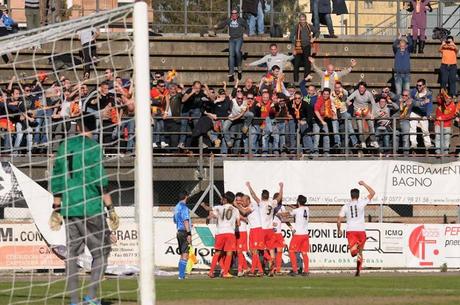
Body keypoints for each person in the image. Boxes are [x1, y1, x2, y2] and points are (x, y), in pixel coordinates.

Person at [49, 112, 119, 304]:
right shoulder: (94, 148)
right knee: (102, 252)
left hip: (70, 208)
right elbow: (100, 181)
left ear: (78, 127)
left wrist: (56, 208)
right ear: (94, 128)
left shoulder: (64, 146)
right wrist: (110, 208)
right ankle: (91, 296)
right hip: (91, 207)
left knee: (72, 255)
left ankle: (73, 299)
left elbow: (57, 177)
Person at [337, 181, 375, 277]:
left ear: (351, 196)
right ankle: (358, 269)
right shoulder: (362, 202)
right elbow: (373, 193)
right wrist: (364, 184)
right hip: (361, 231)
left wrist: (339, 229)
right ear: (358, 196)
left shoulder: (345, 206)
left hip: (351, 231)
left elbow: (339, 220)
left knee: (353, 253)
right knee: (360, 252)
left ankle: (356, 253)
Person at [246, 181, 283, 277]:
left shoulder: (261, 203)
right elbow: (279, 198)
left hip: (262, 230)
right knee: (271, 250)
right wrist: (281, 187)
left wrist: (249, 186)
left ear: (262, 196)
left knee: (257, 250)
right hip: (270, 229)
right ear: (268, 196)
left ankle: (259, 269)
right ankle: (272, 270)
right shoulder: (272, 203)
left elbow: (253, 196)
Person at [203, 191, 240, 278]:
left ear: (225, 199)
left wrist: (206, 211)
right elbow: (238, 223)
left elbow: (211, 212)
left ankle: (211, 271)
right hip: (230, 233)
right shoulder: (235, 210)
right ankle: (225, 272)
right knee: (229, 253)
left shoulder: (219, 208)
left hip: (220, 232)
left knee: (217, 253)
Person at [214, 9, 249, 82]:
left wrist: (246, 33)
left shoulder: (241, 20)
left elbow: (247, 26)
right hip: (232, 39)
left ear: (237, 14)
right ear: (231, 15)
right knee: (231, 55)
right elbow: (223, 24)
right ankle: (231, 71)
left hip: (239, 38)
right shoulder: (229, 20)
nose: (234, 15)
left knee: (237, 51)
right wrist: (217, 26)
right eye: (233, 14)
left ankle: (239, 66)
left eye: (235, 13)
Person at [234, 194, 265, 276]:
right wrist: (238, 203)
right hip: (252, 230)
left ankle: (254, 270)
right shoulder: (247, 205)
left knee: (255, 251)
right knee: (252, 251)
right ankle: (260, 270)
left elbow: (244, 212)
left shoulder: (253, 205)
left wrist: (237, 205)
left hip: (257, 229)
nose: (242, 203)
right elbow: (242, 209)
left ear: (248, 200)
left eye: (244, 201)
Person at [281, 195, 310, 276]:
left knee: (291, 251)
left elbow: (287, 214)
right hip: (305, 234)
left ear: (298, 202)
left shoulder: (296, 211)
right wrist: (294, 207)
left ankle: (295, 270)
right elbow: (300, 209)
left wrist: (280, 213)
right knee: (304, 253)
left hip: (298, 235)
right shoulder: (307, 209)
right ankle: (306, 270)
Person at [346, 81, 378, 148]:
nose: (361, 89)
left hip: (366, 110)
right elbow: (348, 99)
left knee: (371, 125)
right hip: (358, 111)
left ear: (365, 88)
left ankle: (373, 141)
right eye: (360, 88)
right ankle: (362, 142)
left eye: (363, 88)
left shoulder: (368, 94)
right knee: (360, 128)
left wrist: (372, 114)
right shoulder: (356, 92)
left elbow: (373, 103)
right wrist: (348, 102)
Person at [290, 13, 315, 83]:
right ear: (299, 20)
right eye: (301, 20)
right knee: (296, 64)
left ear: (306, 20)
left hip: (307, 46)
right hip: (298, 47)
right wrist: (296, 44)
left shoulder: (309, 26)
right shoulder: (296, 26)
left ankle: (306, 80)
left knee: (307, 64)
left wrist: (314, 38)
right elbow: (291, 37)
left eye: (303, 20)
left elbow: (317, 32)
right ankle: (295, 81)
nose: (302, 21)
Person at [409, 79, 432, 151]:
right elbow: (413, 102)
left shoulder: (428, 94)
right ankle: (413, 143)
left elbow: (429, 105)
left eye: (420, 85)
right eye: (417, 85)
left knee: (425, 129)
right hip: (415, 112)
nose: (418, 87)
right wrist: (422, 102)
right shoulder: (414, 91)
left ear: (424, 86)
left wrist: (429, 114)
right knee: (412, 127)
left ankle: (428, 144)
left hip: (423, 113)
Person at [435, 90, 456, 155]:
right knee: (438, 137)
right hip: (438, 123)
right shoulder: (441, 102)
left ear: (451, 99)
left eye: (449, 98)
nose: (447, 100)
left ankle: (445, 152)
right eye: (446, 98)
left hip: (447, 125)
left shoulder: (453, 106)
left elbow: (450, 116)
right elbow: (438, 98)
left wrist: (441, 118)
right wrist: (442, 94)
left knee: (446, 138)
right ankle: (438, 151)